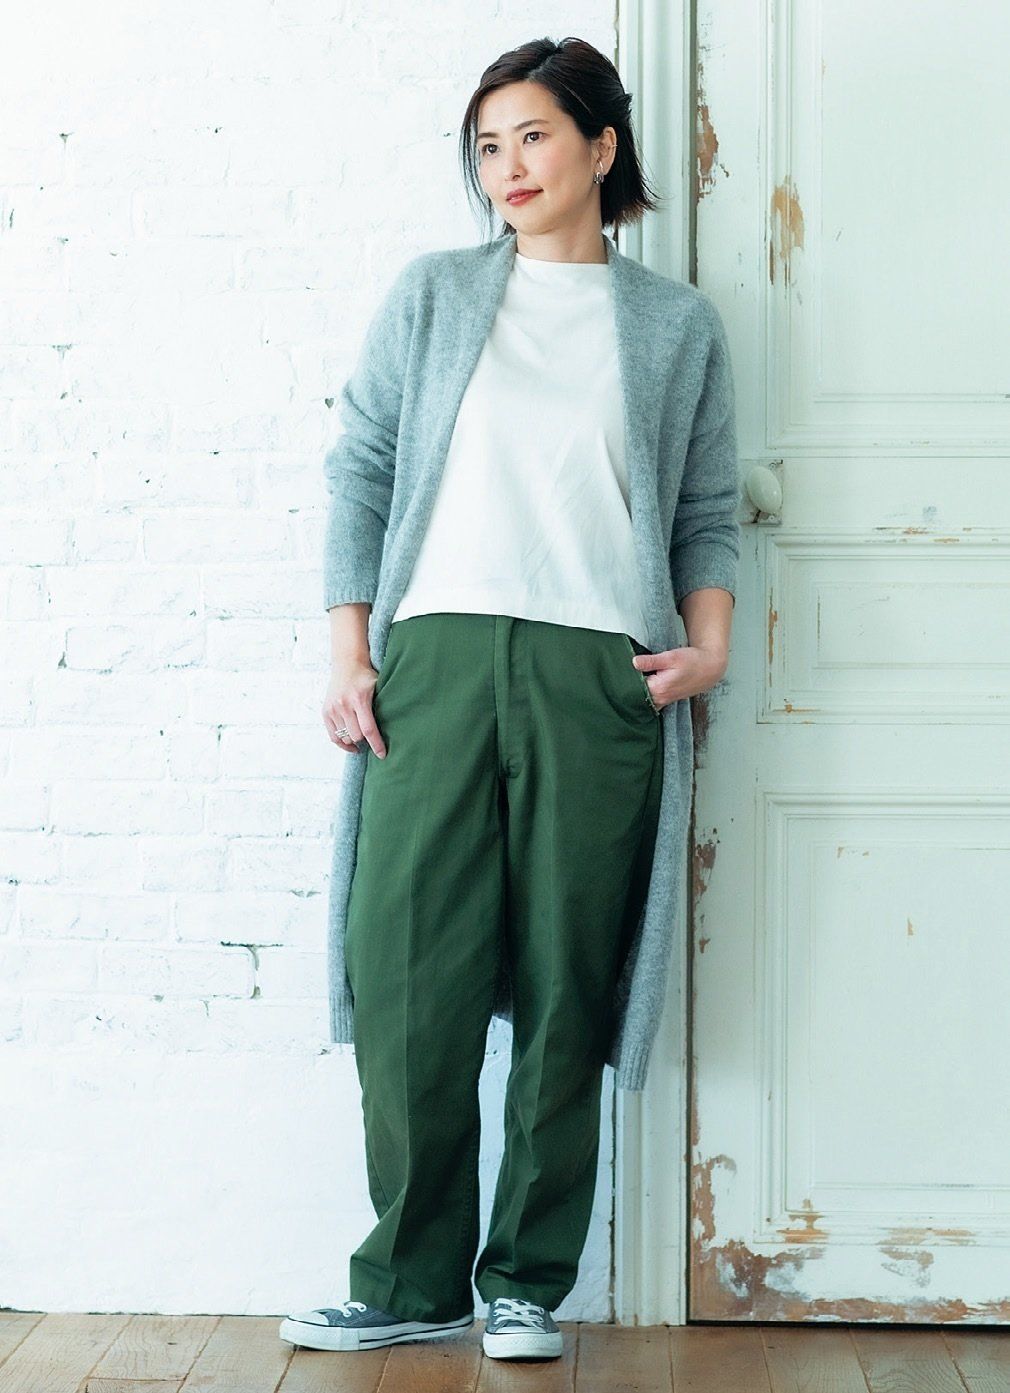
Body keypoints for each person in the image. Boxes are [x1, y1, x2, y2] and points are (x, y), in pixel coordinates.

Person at [279, 34, 740, 1363]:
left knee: (565, 976)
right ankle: (410, 1277)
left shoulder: (674, 326)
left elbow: (708, 507)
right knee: (405, 965)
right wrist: (349, 652)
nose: (508, 167)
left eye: (534, 135)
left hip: (597, 673)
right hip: (432, 659)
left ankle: (526, 1281)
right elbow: (361, 469)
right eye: (487, 145)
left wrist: (707, 647)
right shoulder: (433, 296)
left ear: (601, 146)